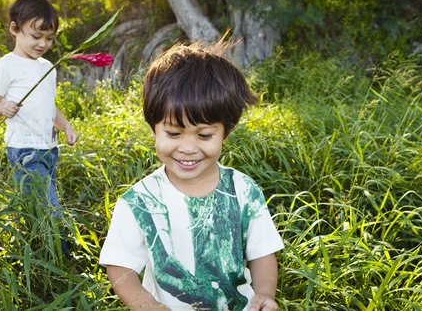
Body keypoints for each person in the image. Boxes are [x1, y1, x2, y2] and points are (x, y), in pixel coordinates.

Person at [99, 41, 284, 311]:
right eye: (173, 133)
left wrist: (265, 294)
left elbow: (262, 253)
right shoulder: (139, 201)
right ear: (154, 129)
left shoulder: (244, 190)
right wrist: (145, 305)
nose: (187, 148)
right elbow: (120, 265)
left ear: (225, 133)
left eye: (205, 135)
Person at [0, 0, 77, 227]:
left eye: (49, 38)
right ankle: (58, 251)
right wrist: (3, 107)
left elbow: (49, 106)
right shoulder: (6, 65)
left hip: (49, 148)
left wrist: (66, 126)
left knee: (36, 205)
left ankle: (34, 245)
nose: (43, 44)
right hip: (24, 150)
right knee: (50, 208)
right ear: (15, 29)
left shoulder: (48, 68)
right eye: (36, 36)